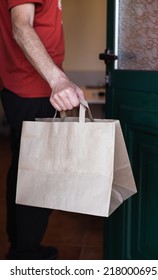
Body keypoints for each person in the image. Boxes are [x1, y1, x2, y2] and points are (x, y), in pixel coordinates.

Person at [0, 0, 84, 260]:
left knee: (23, 171)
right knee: (38, 177)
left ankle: (21, 246)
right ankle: (26, 256)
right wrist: (58, 80)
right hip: (32, 90)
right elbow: (21, 27)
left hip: (28, 88)